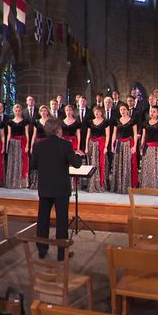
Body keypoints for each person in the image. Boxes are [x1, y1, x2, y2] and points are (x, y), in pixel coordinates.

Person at [30, 118, 84, 261]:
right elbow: (77, 164)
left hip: (45, 187)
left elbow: (33, 165)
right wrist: (78, 154)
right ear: (58, 130)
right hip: (61, 189)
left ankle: (42, 250)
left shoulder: (38, 145)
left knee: (43, 220)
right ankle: (62, 254)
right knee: (61, 221)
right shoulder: (65, 145)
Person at [110, 104, 138, 193]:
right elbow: (114, 133)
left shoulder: (132, 120)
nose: (122, 111)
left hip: (127, 144)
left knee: (127, 164)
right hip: (118, 144)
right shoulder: (116, 120)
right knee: (118, 164)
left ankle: (126, 185)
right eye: (121, 109)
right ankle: (118, 185)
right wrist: (112, 145)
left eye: (124, 109)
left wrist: (134, 146)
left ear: (127, 110)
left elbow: (135, 134)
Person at [140, 105, 158, 189]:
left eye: (154, 111)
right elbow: (143, 136)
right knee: (147, 166)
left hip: (156, 147)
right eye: (151, 111)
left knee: (155, 167)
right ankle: (146, 185)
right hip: (147, 147)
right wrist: (141, 147)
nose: (152, 113)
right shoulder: (145, 123)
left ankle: (156, 186)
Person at [85, 106, 110, 192]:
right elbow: (88, 135)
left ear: (101, 112)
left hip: (101, 144)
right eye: (95, 111)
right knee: (92, 163)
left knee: (100, 164)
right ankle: (92, 183)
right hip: (92, 144)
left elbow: (107, 135)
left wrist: (106, 147)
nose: (96, 113)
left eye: (98, 111)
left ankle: (100, 184)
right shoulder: (90, 122)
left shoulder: (105, 122)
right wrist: (86, 147)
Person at [5, 104, 30, 189]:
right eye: (16, 110)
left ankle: (21, 182)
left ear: (21, 111)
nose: (17, 112)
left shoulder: (25, 121)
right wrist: (6, 146)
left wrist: (27, 145)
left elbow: (27, 134)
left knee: (21, 162)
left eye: (19, 111)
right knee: (13, 162)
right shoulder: (10, 122)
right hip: (12, 143)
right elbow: (9, 134)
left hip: (21, 143)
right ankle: (12, 181)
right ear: (13, 111)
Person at [29, 105, 51, 189]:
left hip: (48, 143)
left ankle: (48, 182)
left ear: (48, 112)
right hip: (38, 143)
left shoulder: (51, 121)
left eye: (45, 111)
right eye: (42, 111)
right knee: (38, 162)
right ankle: (37, 182)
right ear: (40, 112)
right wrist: (31, 146)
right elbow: (34, 135)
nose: (43, 112)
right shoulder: (36, 122)